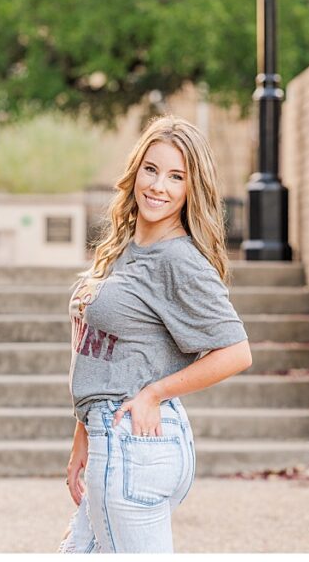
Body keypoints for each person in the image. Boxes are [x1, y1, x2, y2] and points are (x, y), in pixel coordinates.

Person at [58, 115, 253, 553]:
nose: (158, 186)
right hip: (111, 434)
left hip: (133, 443)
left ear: (190, 188)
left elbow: (237, 351)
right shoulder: (126, 248)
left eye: (175, 176)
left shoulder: (178, 260)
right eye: (151, 169)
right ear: (135, 171)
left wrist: (154, 394)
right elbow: (102, 357)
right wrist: (82, 439)